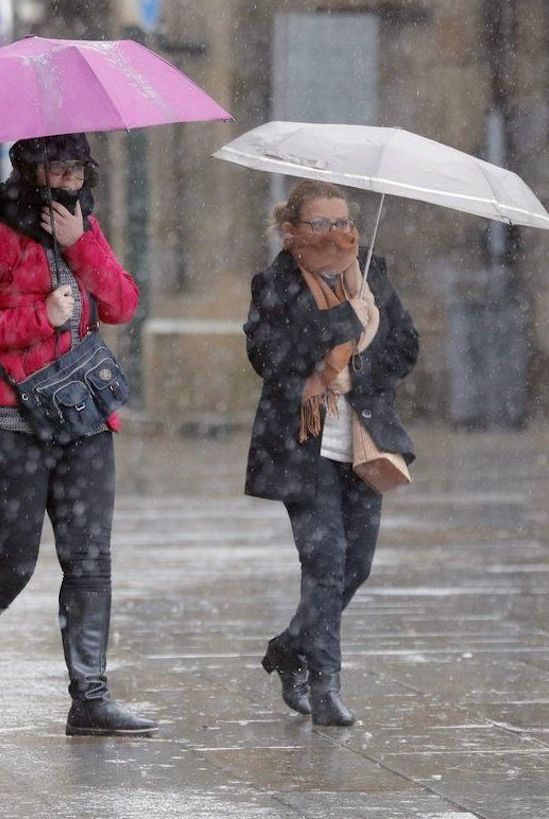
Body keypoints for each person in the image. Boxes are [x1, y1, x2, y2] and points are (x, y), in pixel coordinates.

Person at [0, 133, 157, 736]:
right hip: (3, 424)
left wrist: (84, 245)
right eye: (60, 167)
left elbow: (122, 305)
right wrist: (39, 317)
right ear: (29, 170)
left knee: (91, 561)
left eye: (79, 168)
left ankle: (90, 698)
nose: (71, 179)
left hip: (83, 419)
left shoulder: (84, 231)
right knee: (8, 566)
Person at [244, 179, 419, 726]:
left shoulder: (372, 275)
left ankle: (288, 650)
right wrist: (349, 324)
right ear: (291, 230)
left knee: (356, 564)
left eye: (342, 222)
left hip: (362, 440)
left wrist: (360, 364)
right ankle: (325, 683)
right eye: (319, 223)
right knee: (323, 562)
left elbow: (405, 348)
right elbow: (271, 357)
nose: (334, 234)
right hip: (303, 445)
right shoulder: (274, 284)